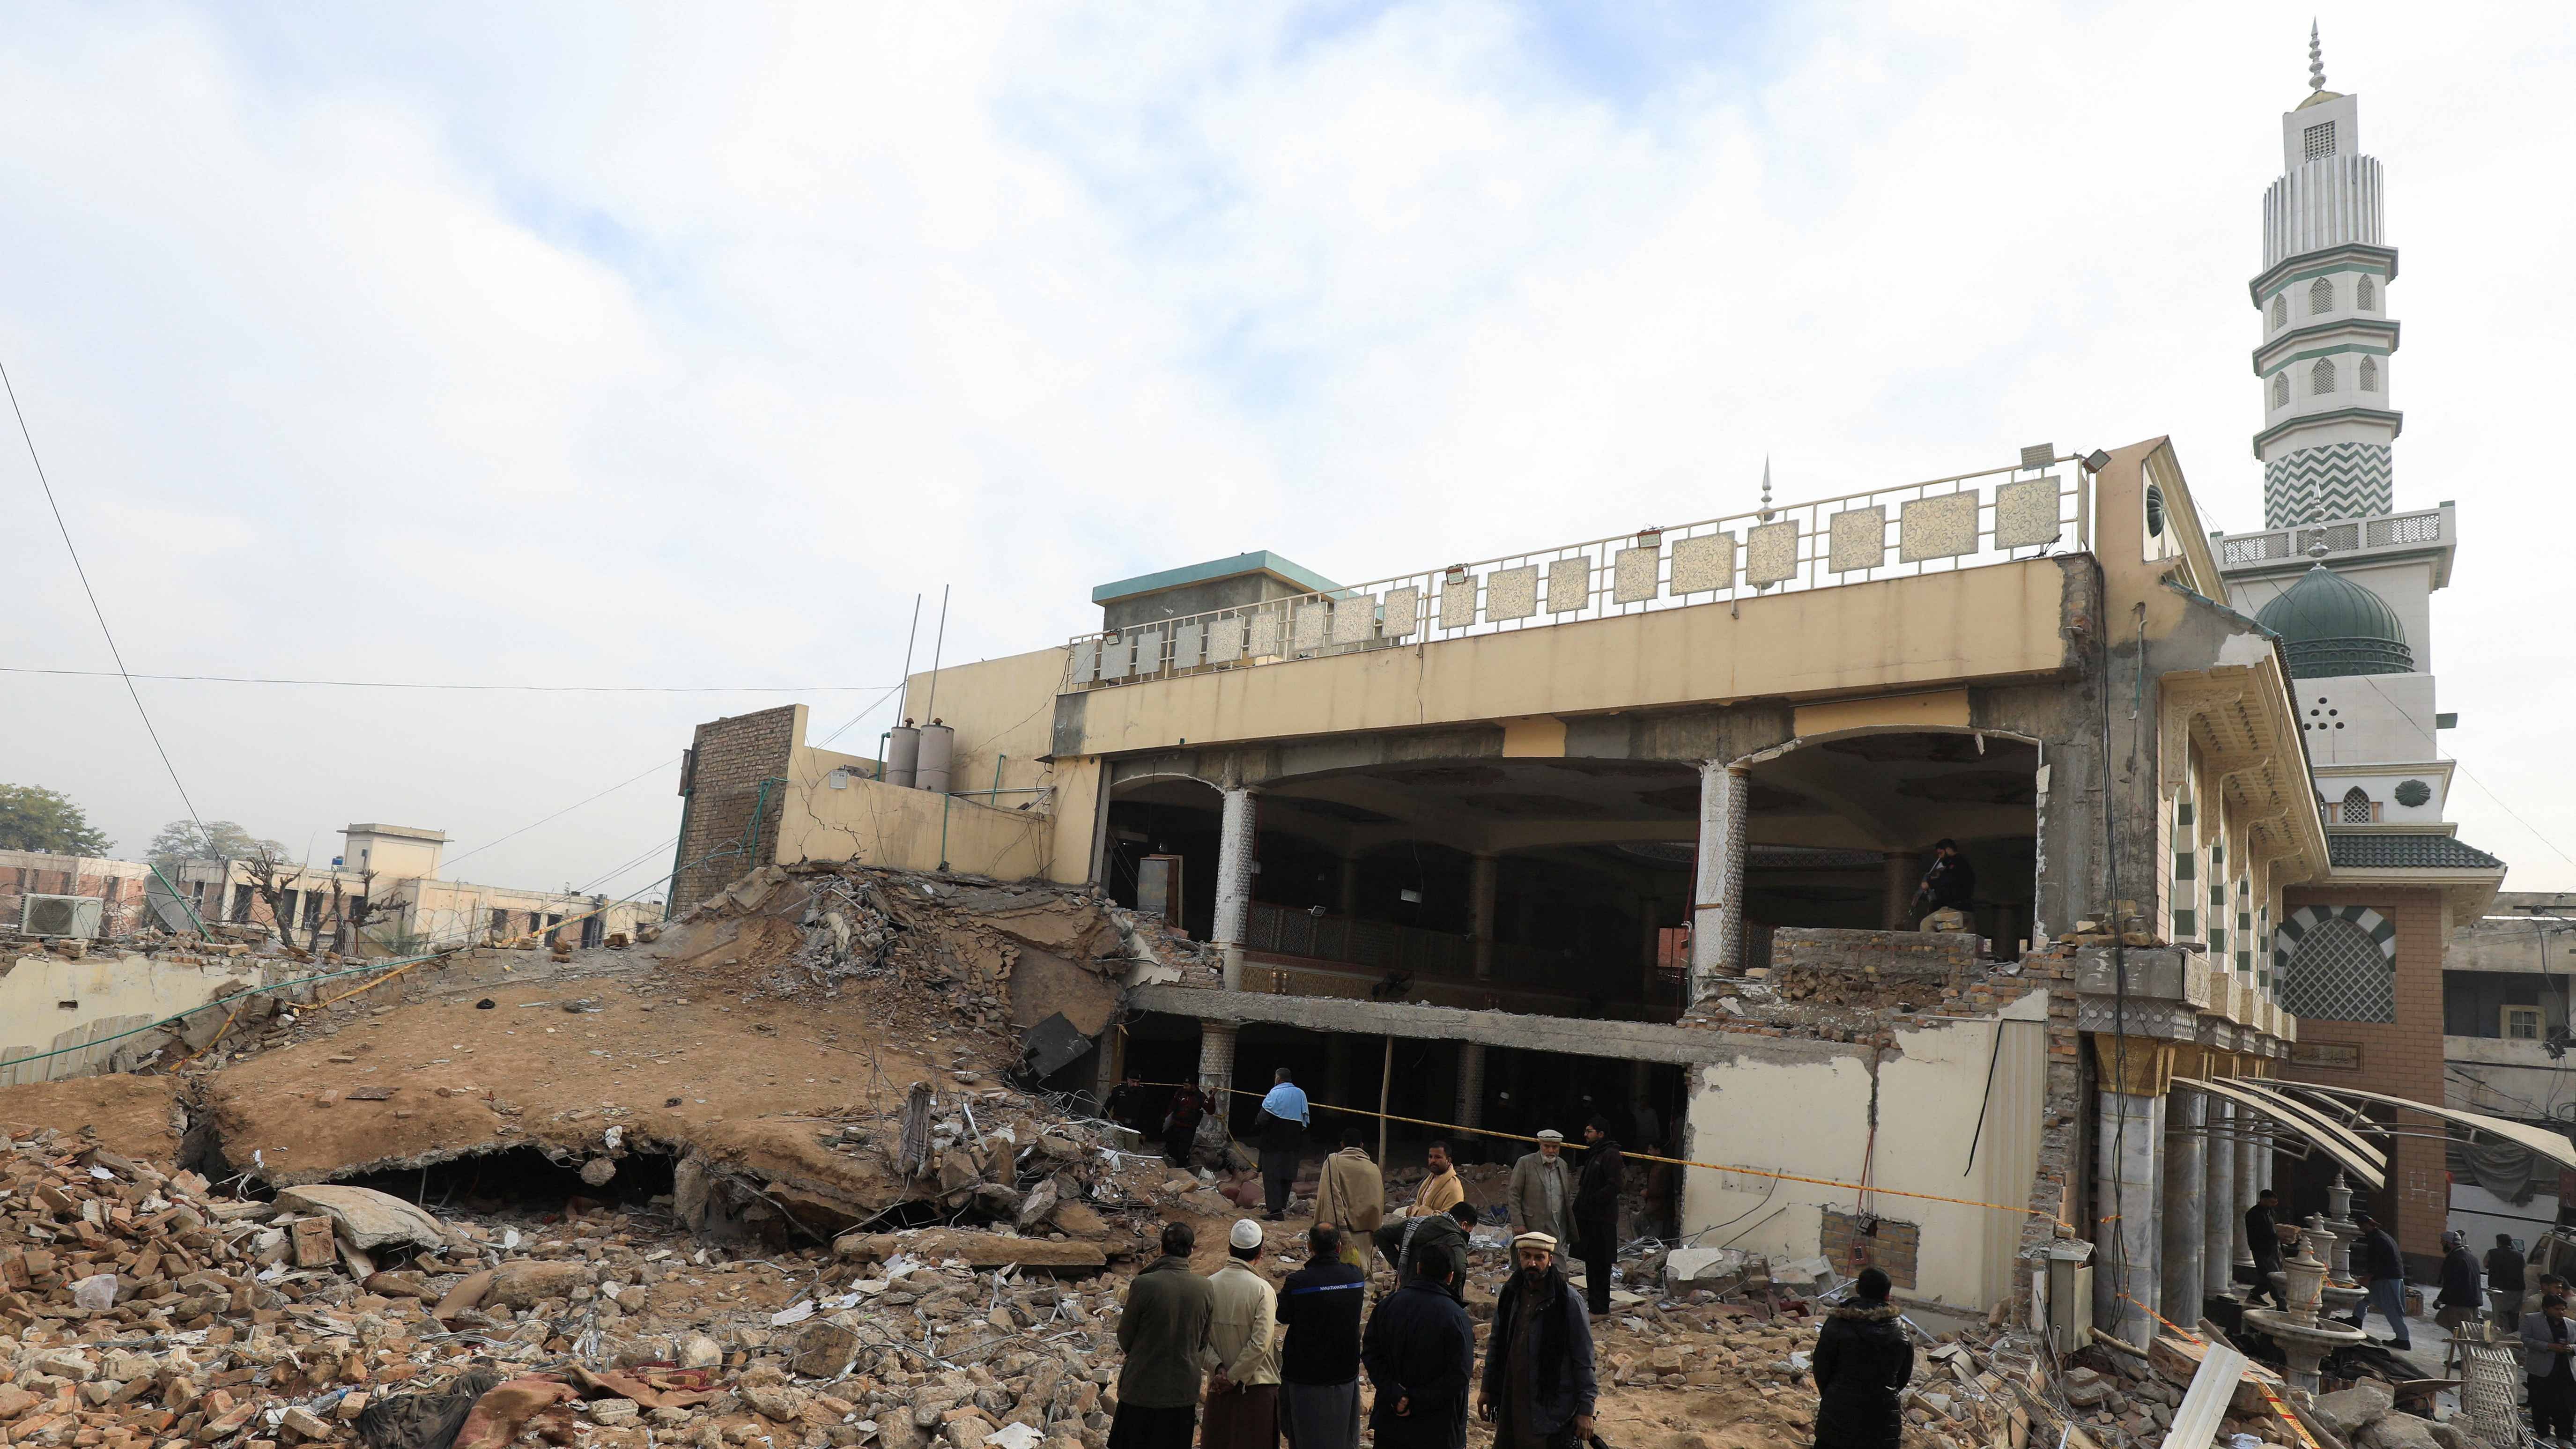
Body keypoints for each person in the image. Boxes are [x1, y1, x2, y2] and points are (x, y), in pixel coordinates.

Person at [1477, 1233, 1597, 1449]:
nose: (1532, 1263)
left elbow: (1584, 1358)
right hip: (1513, 1398)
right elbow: (1497, 1343)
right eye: (1526, 1256)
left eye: (1539, 1258)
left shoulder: (1567, 1301)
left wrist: (1586, 1409)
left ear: (1550, 1260)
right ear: (1519, 1258)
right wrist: (1487, 1387)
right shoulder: (1511, 1293)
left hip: (1551, 1406)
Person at [1113, 1222, 1217, 1449]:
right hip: (1182, 1391)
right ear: (1191, 1250)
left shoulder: (1144, 1283)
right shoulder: (1205, 1288)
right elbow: (1202, 1341)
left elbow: (1125, 1337)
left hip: (1141, 1388)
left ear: (1161, 1248)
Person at [1362, 1249, 1476, 1449]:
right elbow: (1460, 1374)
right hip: (1437, 1428)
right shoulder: (1455, 1316)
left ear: (1418, 1268)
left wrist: (1395, 1394)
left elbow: (1371, 1353)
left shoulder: (1388, 1305)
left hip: (1391, 1421)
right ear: (1450, 1277)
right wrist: (1417, 1401)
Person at [1277, 1226, 1366, 1449]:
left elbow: (1282, 1314)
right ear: (1338, 1247)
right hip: (1344, 1374)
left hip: (1305, 1376)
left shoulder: (1298, 1283)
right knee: (1342, 1438)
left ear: (1310, 1247)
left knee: (1304, 1436)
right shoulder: (1355, 1278)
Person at [1811, 1267, 1912, 1449]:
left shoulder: (1837, 1325)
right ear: (1888, 1295)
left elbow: (1821, 1368)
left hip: (1837, 1417)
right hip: (1883, 1420)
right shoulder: (1900, 1331)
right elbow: (1903, 1376)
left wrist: (1834, 1395)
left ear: (1858, 1289)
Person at [1203, 1220, 1281, 1449]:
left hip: (1219, 1390)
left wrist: (1220, 1371)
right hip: (1256, 1392)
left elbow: (1199, 1341)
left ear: (1229, 1249)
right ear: (1260, 1252)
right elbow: (1260, 1344)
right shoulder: (1262, 1289)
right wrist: (1234, 1377)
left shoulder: (1209, 1285)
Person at [1374, 1202, 1477, 1303]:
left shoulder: (1415, 1224)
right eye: (1469, 1231)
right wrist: (1449, 1290)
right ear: (1464, 1225)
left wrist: (1400, 1265)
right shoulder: (1456, 1240)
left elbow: (1381, 1234)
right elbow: (1459, 1269)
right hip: (1436, 1300)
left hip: (1407, 1291)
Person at [1572, 1118, 1624, 1319]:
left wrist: (1593, 1201)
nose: (1586, 1135)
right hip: (1590, 1220)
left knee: (1601, 1266)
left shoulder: (1610, 1155)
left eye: (1590, 1131)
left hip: (1602, 1221)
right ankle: (1595, 1307)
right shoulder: (1596, 1154)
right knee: (1591, 1264)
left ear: (1601, 1134)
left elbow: (1615, 1186)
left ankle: (1601, 1309)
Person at [2342, 1210, 2412, 1351]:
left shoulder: (2378, 1240)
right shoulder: (2381, 1237)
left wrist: (2368, 1277)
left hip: (2387, 1278)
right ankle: (2357, 1320)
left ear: (2367, 1225)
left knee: (2390, 1309)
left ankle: (2403, 1339)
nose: (2360, 1229)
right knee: (2364, 1298)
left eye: (2361, 1226)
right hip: (2389, 1277)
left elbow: (2377, 1262)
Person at [1313, 1131, 1384, 1270]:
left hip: (1337, 1235)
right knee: (1362, 1274)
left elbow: (1328, 1199)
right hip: (1365, 1232)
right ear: (1362, 1145)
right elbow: (1378, 1203)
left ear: (1342, 1145)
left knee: (1334, 1274)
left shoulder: (1333, 1163)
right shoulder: (1374, 1169)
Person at [1508, 1130, 1577, 1252]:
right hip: (1533, 1224)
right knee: (1532, 1260)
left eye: (1555, 1147)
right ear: (1540, 1145)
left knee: (1557, 1263)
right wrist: (1518, 1223)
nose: (1551, 1151)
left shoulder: (1562, 1165)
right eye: (1547, 1146)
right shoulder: (1525, 1163)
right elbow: (1514, 1194)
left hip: (1558, 1224)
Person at [1257, 1069, 1311, 1222]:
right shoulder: (1301, 1094)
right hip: (1293, 1144)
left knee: (1272, 1176)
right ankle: (1280, 1207)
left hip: (1273, 1144)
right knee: (1287, 1175)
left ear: (1279, 1079)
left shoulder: (1274, 1094)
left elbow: (1262, 1119)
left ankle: (1275, 1211)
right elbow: (1304, 1121)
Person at [2527, 1292, 2576, 1444]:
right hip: (2542, 1370)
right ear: (2546, 1309)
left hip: (2566, 1371)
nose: (2561, 1313)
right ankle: (2544, 1435)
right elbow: (2526, 1339)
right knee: (2540, 1404)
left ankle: (2565, 1438)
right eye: (2557, 1309)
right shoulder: (2532, 1320)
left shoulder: (2571, 1324)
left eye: (2563, 1310)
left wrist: (2571, 1349)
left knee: (2567, 1407)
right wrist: (2549, 1347)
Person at [1908, 840, 1976, 930]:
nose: (1940, 857)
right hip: (1961, 907)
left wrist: (1930, 884)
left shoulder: (1957, 863)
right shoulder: (1960, 863)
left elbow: (1949, 879)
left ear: (1948, 850)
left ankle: (1930, 945)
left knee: (1926, 924)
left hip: (1954, 907)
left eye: (1941, 853)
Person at [2243, 1189, 2285, 1308]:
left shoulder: (2270, 1212)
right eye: (2272, 1202)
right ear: (2264, 1200)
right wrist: (2275, 1236)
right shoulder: (2253, 1214)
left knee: (2272, 1275)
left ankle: (2255, 1293)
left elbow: (2275, 1228)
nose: (2274, 1205)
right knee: (2271, 1276)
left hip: (2273, 1248)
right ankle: (2281, 1303)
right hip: (2261, 1249)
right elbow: (2258, 1233)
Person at [1408, 1141, 1464, 1219]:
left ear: (1448, 1161)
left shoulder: (1454, 1187)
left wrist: (1419, 1211)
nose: (1433, 1161)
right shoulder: (1431, 1178)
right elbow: (1417, 1205)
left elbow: (1450, 1221)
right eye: (1431, 1157)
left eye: (1438, 1157)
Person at [1166, 1082, 1210, 1169]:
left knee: (1183, 1151)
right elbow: (1172, 1107)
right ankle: (1179, 1161)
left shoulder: (1200, 1096)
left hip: (1189, 1128)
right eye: (1184, 1085)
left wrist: (1212, 1098)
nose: (1184, 1087)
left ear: (1193, 1086)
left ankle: (1181, 1168)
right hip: (1176, 1126)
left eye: (1187, 1086)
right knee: (1170, 1148)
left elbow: (1210, 1110)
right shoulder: (1180, 1093)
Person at [2490, 1234, 2529, 1329]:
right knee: (2514, 1315)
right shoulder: (2519, 1255)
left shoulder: (2493, 1253)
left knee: (2499, 1315)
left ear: (2498, 1243)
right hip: (2518, 1290)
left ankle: (2500, 1336)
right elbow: (2524, 1267)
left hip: (2500, 1290)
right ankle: (2513, 1334)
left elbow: (2486, 1263)